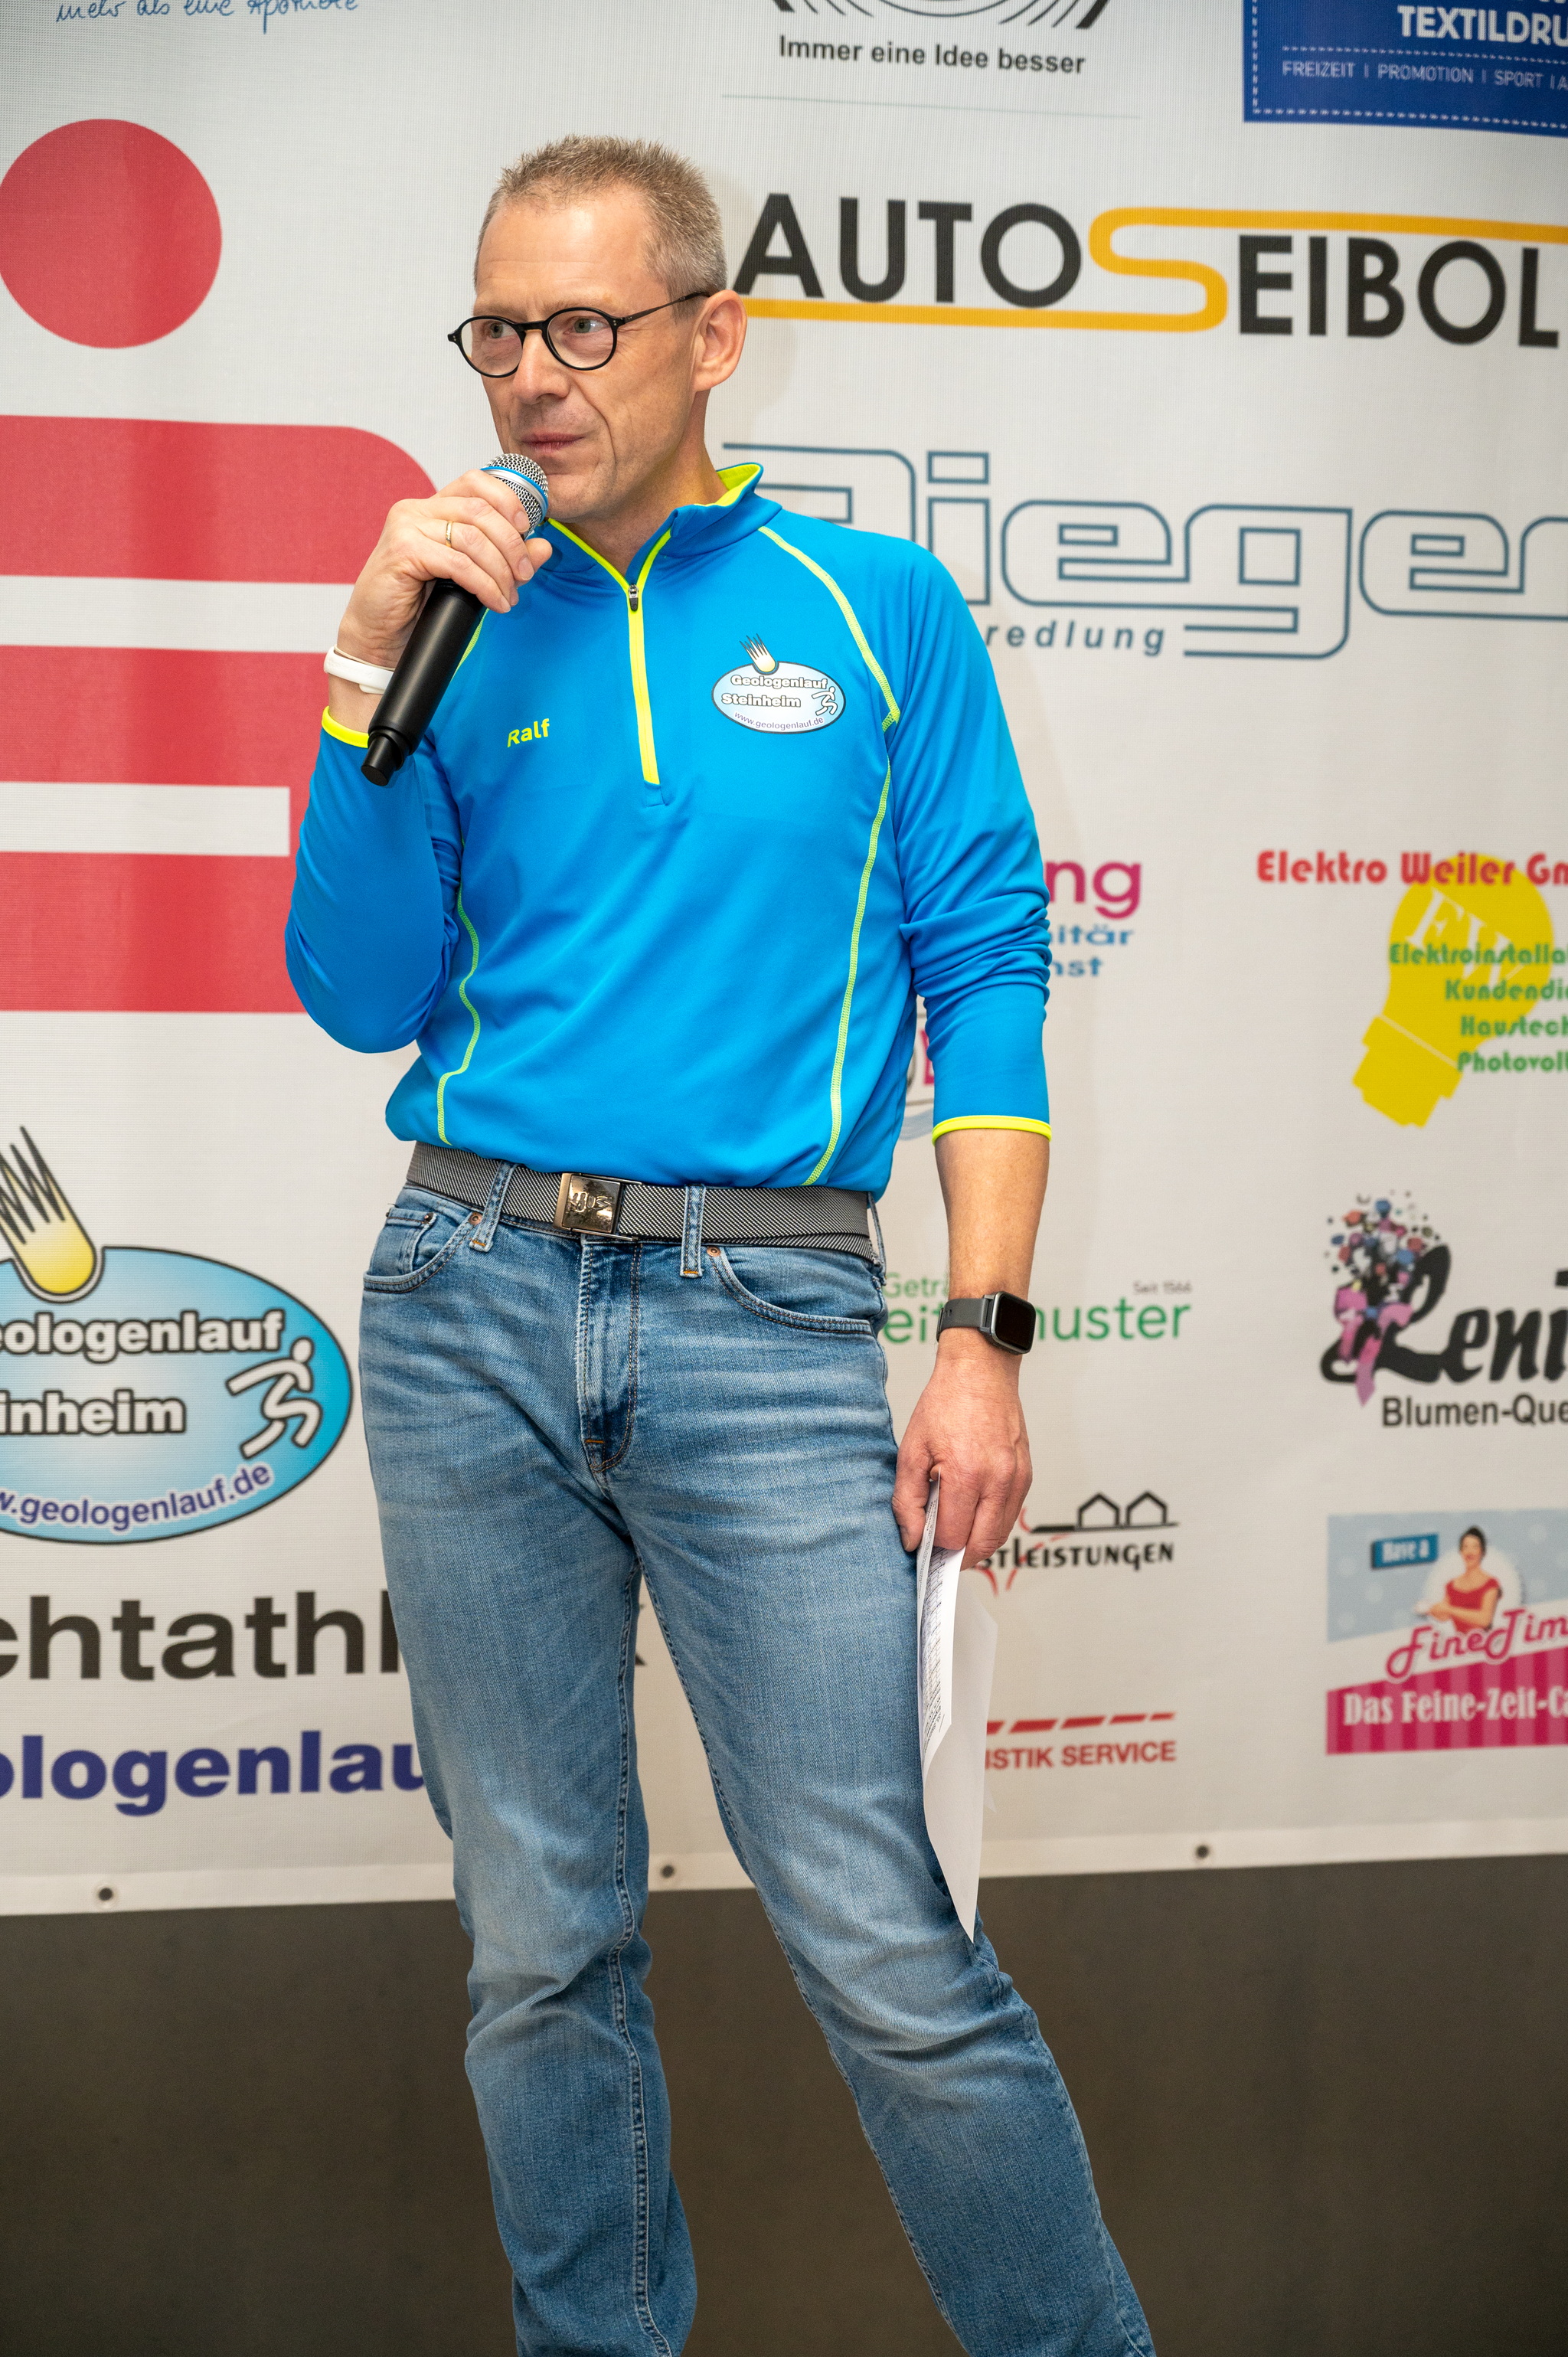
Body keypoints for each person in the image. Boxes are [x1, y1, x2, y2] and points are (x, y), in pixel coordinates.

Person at [287, 134, 1152, 2357]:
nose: (532, 376)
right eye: (499, 331)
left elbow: (989, 968)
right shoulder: (454, 623)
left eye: (583, 326)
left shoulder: (876, 605)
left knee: (880, 1930)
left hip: (764, 1310)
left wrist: (981, 1334)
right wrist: (363, 665)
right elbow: (356, 989)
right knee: (537, 1940)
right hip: (467, 1295)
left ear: (713, 335)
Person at [1422, 1525, 1504, 1633]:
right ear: (1461, 1552)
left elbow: (1485, 1620)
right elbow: (1444, 1616)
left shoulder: (1491, 1584)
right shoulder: (1452, 1585)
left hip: (1484, 1640)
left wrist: (1449, 1609)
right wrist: (1431, 1610)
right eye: (1466, 1547)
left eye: (1475, 1547)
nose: (1470, 1552)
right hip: (1460, 1641)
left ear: (1482, 1552)